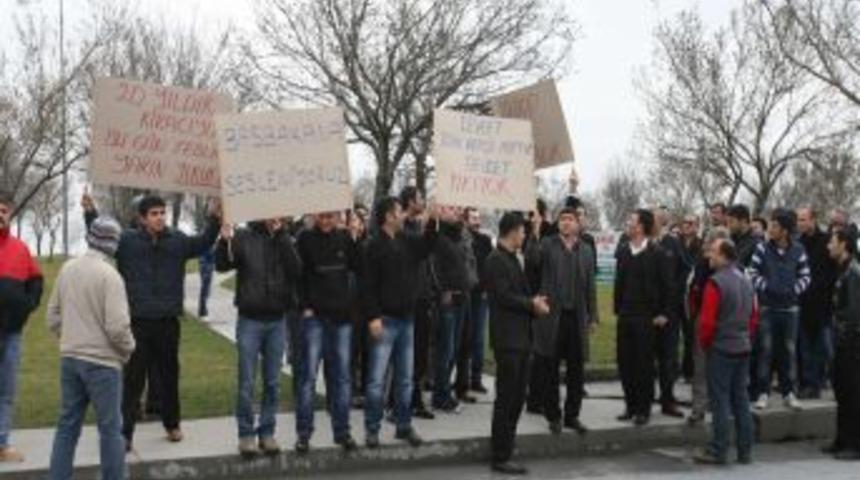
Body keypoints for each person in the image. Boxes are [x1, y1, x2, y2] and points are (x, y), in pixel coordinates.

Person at [83, 192, 221, 450]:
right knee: (133, 379)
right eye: (154, 214)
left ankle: (172, 424)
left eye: (162, 213)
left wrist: (214, 217)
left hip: (168, 321)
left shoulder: (177, 240)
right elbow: (99, 239)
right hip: (136, 323)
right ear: (142, 218)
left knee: (169, 376)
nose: (160, 218)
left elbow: (203, 242)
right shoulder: (126, 242)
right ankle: (124, 433)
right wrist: (89, 212)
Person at [46, 217, 135, 479]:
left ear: (90, 238)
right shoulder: (111, 277)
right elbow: (118, 328)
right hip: (103, 364)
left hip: (70, 359)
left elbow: (52, 316)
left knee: (67, 426)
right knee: (110, 430)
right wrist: (129, 350)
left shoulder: (67, 269)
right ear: (113, 244)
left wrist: (70, 338)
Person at [216, 217, 301, 457]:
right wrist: (224, 241)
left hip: (277, 320)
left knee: (272, 382)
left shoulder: (285, 237)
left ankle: (267, 432)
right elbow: (222, 265)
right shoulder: (243, 237)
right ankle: (246, 435)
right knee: (246, 382)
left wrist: (282, 235)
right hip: (250, 320)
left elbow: (296, 270)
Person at [361, 196, 438, 448]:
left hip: (407, 319)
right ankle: (372, 428)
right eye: (398, 211)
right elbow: (367, 287)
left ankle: (403, 426)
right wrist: (372, 317)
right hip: (384, 320)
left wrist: (432, 221)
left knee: (405, 378)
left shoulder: (406, 239)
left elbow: (427, 246)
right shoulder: (374, 245)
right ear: (387, 216)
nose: (403, 215)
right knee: (376, 380)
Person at [485, 212, 550, 475]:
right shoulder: (495, 260)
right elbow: (503, 296)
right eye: (523, 232)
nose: (524, 236)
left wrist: (534, 301)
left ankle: (506, 447)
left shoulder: (514, 258)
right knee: (507, 398)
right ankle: (500, 455)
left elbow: (521, 291)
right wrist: (531, 304)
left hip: (522, 338)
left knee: (517, 398)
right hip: (508, 340)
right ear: (512, 232)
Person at [295, 212, 361, 453]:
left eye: (330, 217)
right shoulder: (304, 239)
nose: (325, 221)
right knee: (307, 378)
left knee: (342, 379)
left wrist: (355, 238)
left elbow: (359, 266)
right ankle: (304, 434)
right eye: (321, 217)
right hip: (315, 319)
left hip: (341, 320)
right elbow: (298, 276)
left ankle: (342, 433)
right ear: (314, 215)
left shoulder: (345, 238)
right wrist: (305, 307)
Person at [529, 207, 597, 435]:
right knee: (550, 368)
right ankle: (553, 415)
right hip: (552, 318)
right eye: (562, 219)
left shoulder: (586, 250)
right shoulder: (548, 244)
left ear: (578, 223)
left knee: (576, 371)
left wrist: (593, 316)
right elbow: (532, 259)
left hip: (576, 318)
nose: (566, 223)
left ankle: (572, 416)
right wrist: (535, 231)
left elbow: (591, 286)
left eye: (570, 219)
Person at [693, 238, 758, 466]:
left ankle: (718, 450)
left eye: (712, 252)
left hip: (721, 347)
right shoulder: (745, 280)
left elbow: (707, 322)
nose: (708, 256)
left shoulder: (716, 283)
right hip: (742, 346)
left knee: (720, 400)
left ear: (724, 255)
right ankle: (745, 450)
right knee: (741, 399)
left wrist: (705, 343)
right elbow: (753, 316)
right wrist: (745, 337)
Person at [614, 209, 674, 426]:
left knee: (643, 365)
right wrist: (618, 309)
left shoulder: (657, 253)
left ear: (640, 226)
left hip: (647, 317)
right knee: (625, 362)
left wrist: (663, 313)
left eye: (631, 220)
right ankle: (630, 405)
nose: (628, 223)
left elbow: (668, 287)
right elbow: (619, 284)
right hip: (625, 315)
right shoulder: (622, 251)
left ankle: (643, 409)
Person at [749, 208, 811, 410]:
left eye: (774, 225)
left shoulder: (799, 250)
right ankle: (763, 392)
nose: (770, 228)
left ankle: (789, 392)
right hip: (768, 308)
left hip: (791, 309)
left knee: (789, 351)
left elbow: (806, 276)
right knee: (765, 351)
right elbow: (752, 273)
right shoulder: (762, 248)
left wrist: (793, 290)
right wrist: (767, 287)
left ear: (784, 230)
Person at [0, 192, 44, 463]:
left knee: (5, 391)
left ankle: (1, 444)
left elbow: (36, 280)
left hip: (12, 333)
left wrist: (27, 305)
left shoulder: (20, 248)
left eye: (3, 210)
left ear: (10, 214)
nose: (0, 214)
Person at [686, 227, 732, 426]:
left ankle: (717, 406)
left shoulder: (734, 270)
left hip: (723, 320)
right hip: (706, 319)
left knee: (717, 367)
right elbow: (693, 290)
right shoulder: (702, 265)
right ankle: (700, 407)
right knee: (702, 365)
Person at [430, 206, 475, 412]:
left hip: (462, 298)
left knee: (454, 349)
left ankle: (444, 391)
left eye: (457, 209)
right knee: (445, 350)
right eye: (450, 208)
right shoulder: (438, 238)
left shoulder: (459, 237)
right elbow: (434, 267)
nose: (456, 211)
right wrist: (442, 291)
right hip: (448, 300)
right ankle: (441, 396)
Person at [824, 229, 860, 460]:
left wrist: (845, 339)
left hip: (851, 344)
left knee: (853, 393)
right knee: (842, 392)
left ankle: (855, 445)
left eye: (832, 242)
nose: (828, 246)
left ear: (844, 244)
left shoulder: (853, 273)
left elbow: (855, 312)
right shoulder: (843, 270)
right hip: (841, 341)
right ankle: (842, 440)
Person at [400, 187, 436, 420]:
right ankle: (399, 402)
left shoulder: (417, 226)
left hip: (423, 297)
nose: (423, 202)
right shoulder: (401, 228)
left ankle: (415, 399)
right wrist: (427, 221)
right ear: (411, 202)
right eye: (420, 198)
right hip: (406, 298)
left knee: (421, 353)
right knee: (404, 354)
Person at [796, 207, 838, 400]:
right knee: (805, 348)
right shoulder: (798, 243)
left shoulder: (827, 241)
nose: (800, 223)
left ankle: (820, 383)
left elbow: (832, 272)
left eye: (804, 219)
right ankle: (808, 384)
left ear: (813, 220)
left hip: (822, 304)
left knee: (822, 349)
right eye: (798, 220)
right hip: (803, 304)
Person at [653, 207, 685, 418]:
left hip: (669, 313)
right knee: (645, 359)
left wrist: (669, 309)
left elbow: (682, 273)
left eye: (661, 216)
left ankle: (668, 399)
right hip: (646, 312)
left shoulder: (673, 243)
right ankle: (641, 401)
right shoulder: (643, 243)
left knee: (668, 358)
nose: (658, 219)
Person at [458, 207, 493, 395]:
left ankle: (476, 378)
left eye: (478, 218)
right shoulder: (462, 239)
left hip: (480, 296)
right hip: (464, 294)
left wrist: (488, 288)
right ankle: (460, 381)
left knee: (478, 339)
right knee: (463, 339)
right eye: (473, 218)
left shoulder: (485, 241)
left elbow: (490, 266)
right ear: (465, 220)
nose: (477, 221)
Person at [679, 214, 704, 382]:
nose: (686, 226)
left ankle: (690, 370)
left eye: (690, 223)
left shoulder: (701, 246)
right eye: (684, 222)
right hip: (676, 293)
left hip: (692, 294)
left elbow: (696, 266)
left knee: (691, 334)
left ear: (696, 226)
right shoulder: (676, 243)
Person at [198, 247, 216, 319]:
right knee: (205, 288)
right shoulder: (208, 240)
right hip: (206, 264)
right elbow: (210, 252)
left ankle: (203, 309)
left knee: (206, 288)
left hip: (207, 263)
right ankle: (202, 310)